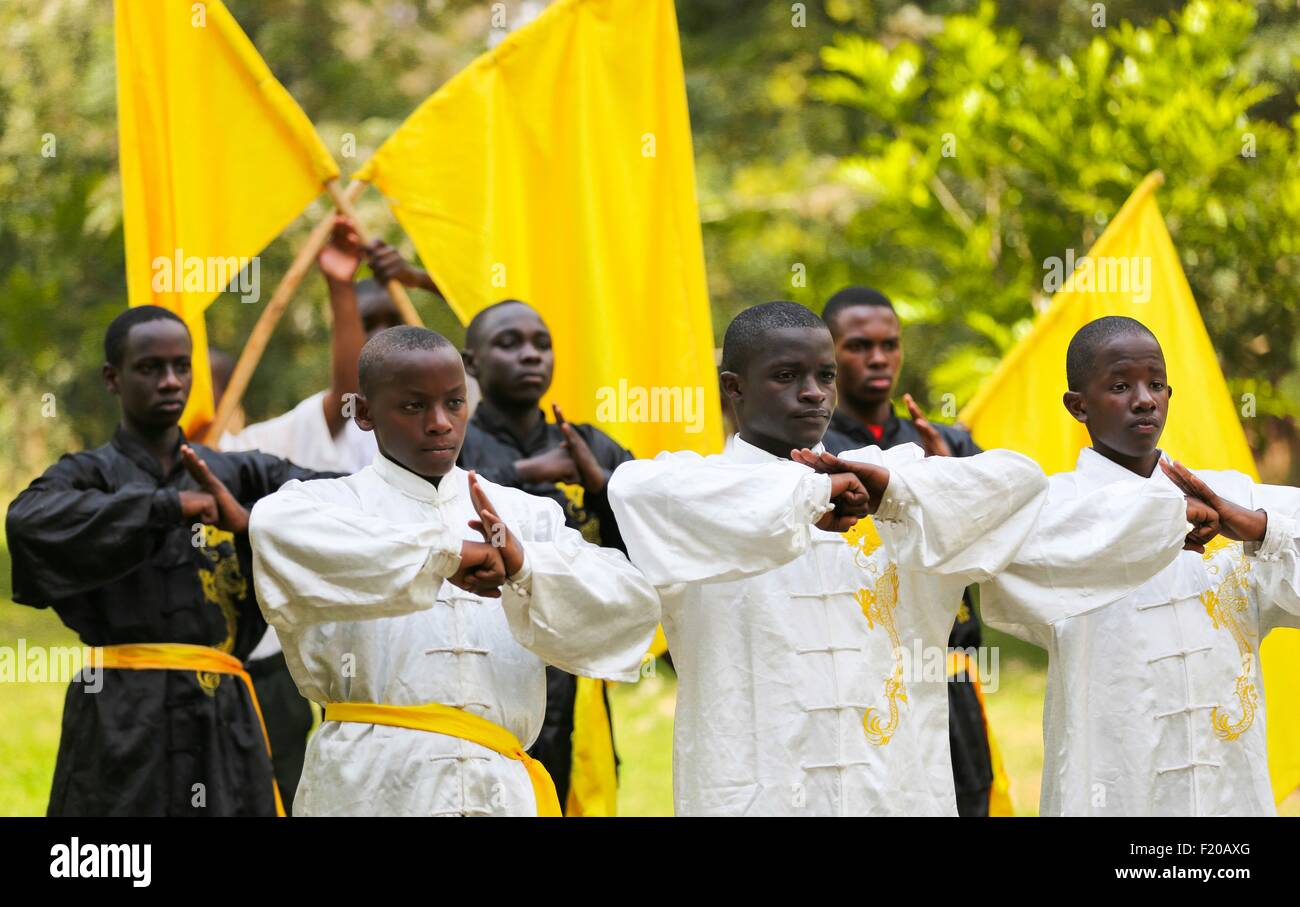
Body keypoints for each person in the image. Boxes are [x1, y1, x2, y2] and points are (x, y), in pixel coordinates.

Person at [607, 300, 1050, 816]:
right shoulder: (696, 493)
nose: (814, 392)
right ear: (734, 387)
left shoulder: (890, 478)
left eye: (825, 375)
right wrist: (807, 498)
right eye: (787, 376)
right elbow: (632, 489)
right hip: (754, 798)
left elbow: (1022, 482)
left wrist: (894, 494)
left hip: (893, 796)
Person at [247, 326, 661, 816]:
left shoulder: (525, 515)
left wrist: (525, 569)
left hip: (499, 792)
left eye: (454, 403)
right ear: (364, 412)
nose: (440, 423)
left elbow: (632, 609)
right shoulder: (325, 507)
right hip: (372, 791)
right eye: (413, 406)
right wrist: (451, 552)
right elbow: (273, 528)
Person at [5, 306, 331, 816]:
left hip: (223, 710)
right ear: (113, 378)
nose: (170, 381)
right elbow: (29, 521)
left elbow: (340, 495)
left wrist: (246, 521)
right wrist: (167, 507)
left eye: (182, 366)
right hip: (119, 712)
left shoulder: (237, 473)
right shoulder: (88, 474)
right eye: (150, 368)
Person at [980, 315, 1300, 816]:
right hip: (1115, 789)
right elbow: (1014, 582)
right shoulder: (1053, 511)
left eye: (1156, 384)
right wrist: (1157, 521)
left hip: (1229, 796)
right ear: (1077, 405)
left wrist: (1260, 529)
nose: (1145, 399)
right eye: (1120, 385)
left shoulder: (1234, 495)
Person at [212, 216, 388, 809]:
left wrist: (340, 289)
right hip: (172, 683)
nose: (175, 388)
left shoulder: (257, 451)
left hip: (267, 673)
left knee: (275, 794)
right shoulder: (117, 474)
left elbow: (345, 396)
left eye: (194, 379)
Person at [819, 285, 997, 816]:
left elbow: (999, 534)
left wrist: (953, 478)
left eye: (889, 344)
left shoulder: (948, 443)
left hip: (949, 668)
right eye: (857, 345)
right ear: (827, 356)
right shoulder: (814, 453)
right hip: (857, 675)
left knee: (964, 802)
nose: (878, 357)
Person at [458, 298, 633, 809]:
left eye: (541, 344)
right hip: (485, 660)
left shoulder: (590, 445)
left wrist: (598, 484)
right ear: (472, 364)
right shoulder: (453, 445)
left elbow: (648, 532)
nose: (530, 355)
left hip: (575, 667)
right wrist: (531, 475)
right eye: (509, 344)